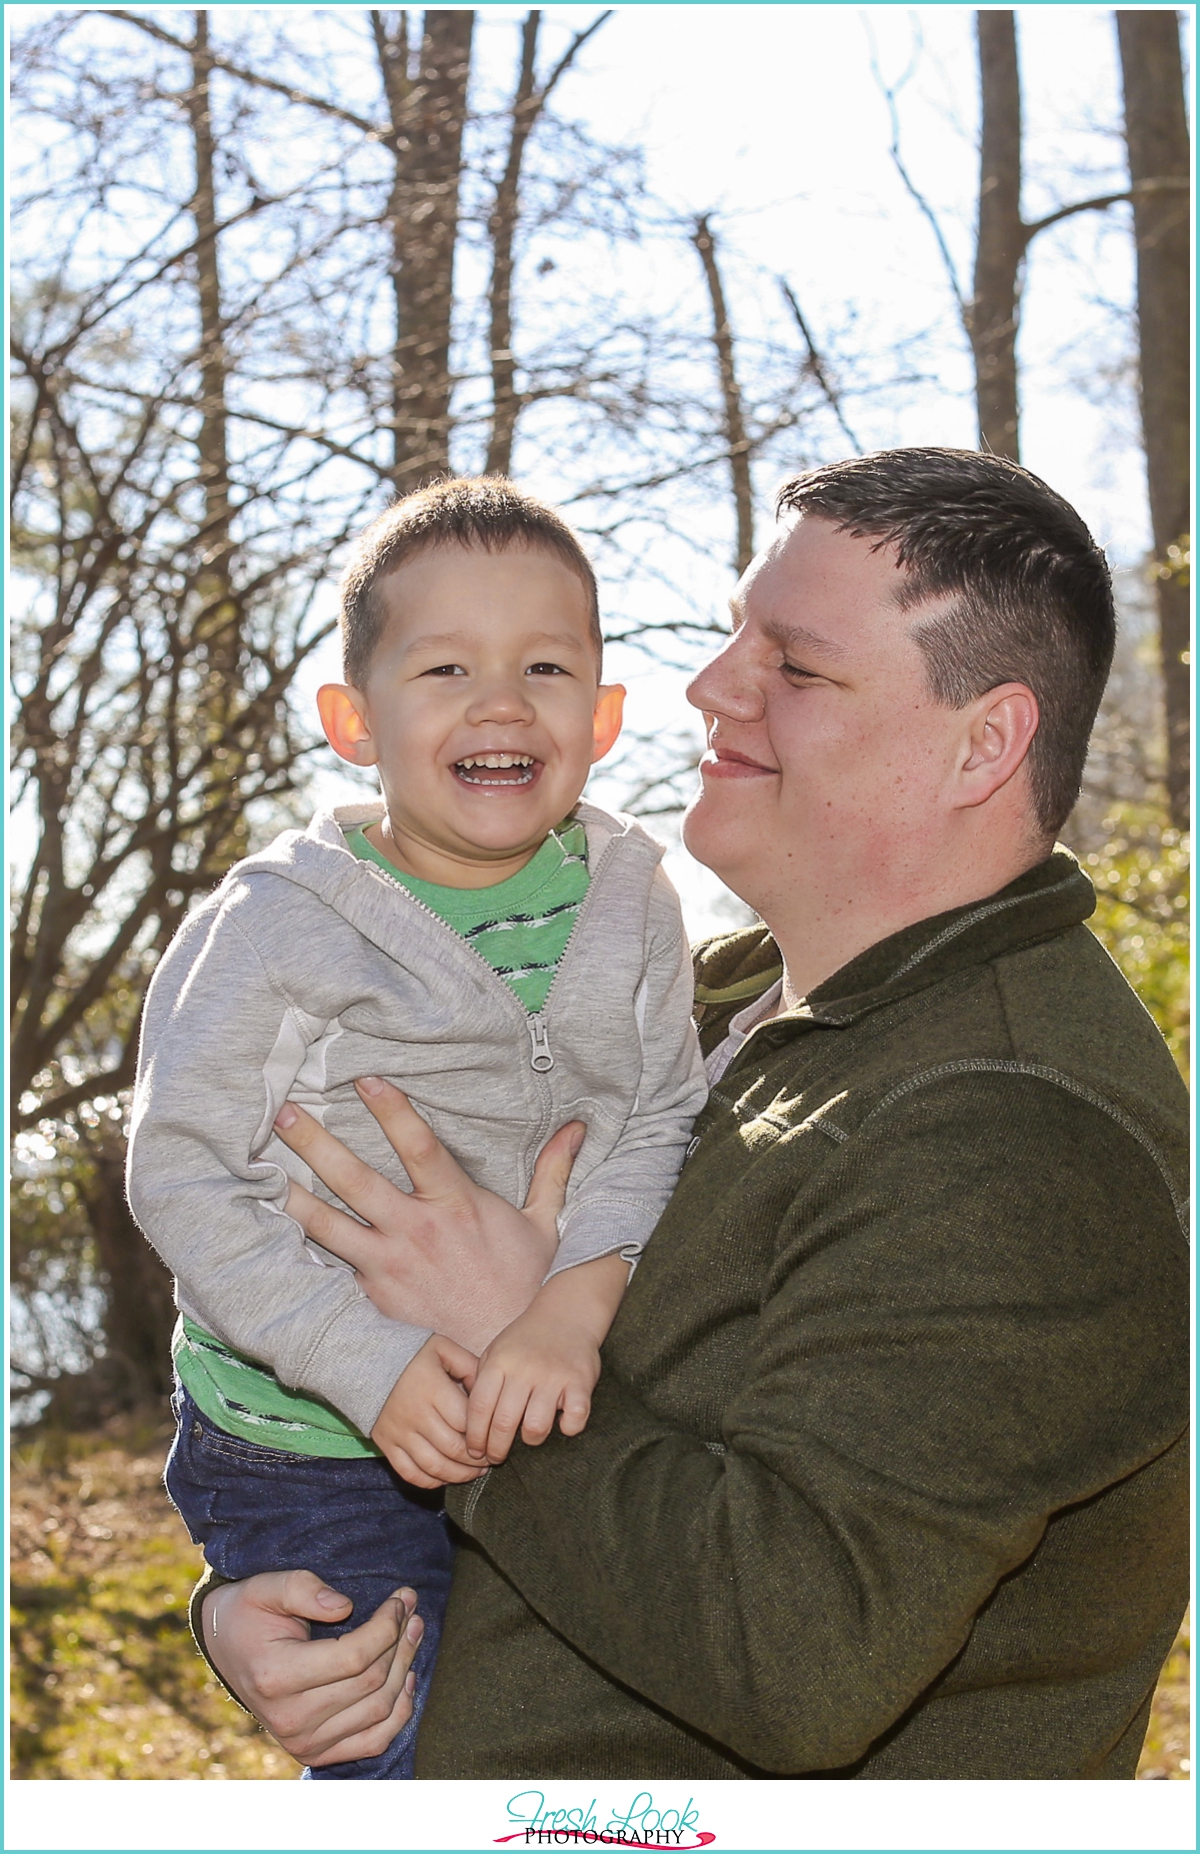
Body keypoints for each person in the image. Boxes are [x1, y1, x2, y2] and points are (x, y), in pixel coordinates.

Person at [193, 448, 1189, 1779]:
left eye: (797, 665)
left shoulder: (1018, 1132)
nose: (711, 687)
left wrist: (498, 1334)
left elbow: (795, 1655)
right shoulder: (712, 1001)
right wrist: (256, 1605)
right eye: (734, 636)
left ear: (984, 741)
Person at [125, 477, 708, 1779]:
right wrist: (366, 1362)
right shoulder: (282, 918)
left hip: (535, 1395)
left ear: (605, 716)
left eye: (546, 665)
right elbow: (178, 1165)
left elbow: (655, 1115)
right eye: (444, 667)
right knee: (414, 1749)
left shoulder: (634, 900)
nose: (501, 703)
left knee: (589, 1745)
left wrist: (576, 1298)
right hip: (308, 1435)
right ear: (352, 719)